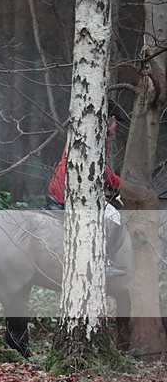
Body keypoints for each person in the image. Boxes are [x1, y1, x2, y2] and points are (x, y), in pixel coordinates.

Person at [46, 103, 126, 276]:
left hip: (66, 188)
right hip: (68, 193)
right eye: (113, 120)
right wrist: (123, 185)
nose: (116, 125)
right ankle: (104, 261)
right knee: (113, 215)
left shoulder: (90, 134)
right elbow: (100, 171)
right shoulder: (94, 138)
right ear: (105, 120)